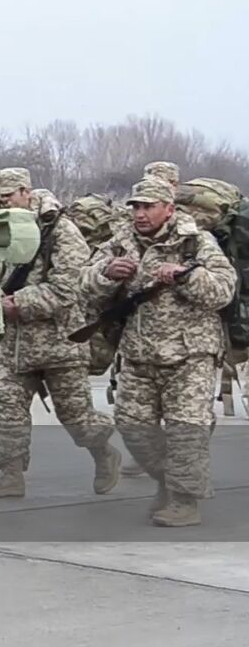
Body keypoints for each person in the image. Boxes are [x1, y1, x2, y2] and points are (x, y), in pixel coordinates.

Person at [81, 177, 235, 526]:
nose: (140, 213)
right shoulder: (120, 243)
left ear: (169, 209)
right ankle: (169, 482)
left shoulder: (196, 243)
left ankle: (185, 501)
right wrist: (107, 273)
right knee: (133, 427)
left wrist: (185, 275)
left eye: (148, 206)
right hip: (138, 354)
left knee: (185, 429)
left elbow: (223, 290)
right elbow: (84, 282)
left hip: (190, 354)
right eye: (135, 206)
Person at [0, 168, 120, 498]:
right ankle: (9, 474)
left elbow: (69, 287)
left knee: (76, 418)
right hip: (14, 346)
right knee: (5, 413)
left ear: (26, 193)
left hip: (60, 344)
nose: (4, 205)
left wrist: (17, 303)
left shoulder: (60, 231)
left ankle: (104, 453)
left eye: (9, 197)